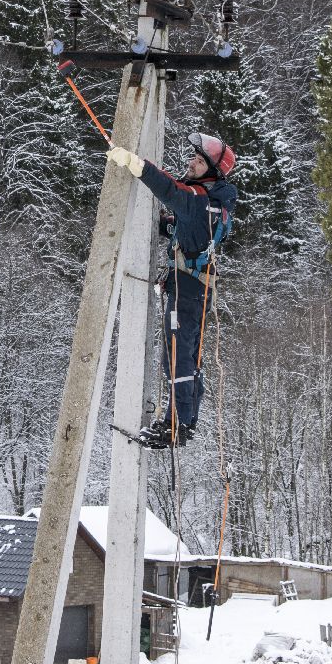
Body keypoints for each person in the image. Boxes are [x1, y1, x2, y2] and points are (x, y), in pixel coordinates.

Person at [106, 132, 238, 448]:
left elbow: (169, 188)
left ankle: (175, 423)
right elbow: (177, 226)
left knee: (177, 359)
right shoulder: (210, 205)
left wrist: (136, 164)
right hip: (194, 289)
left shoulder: (199, 200)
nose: (191, 162)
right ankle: (186, 422)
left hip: (189, 291)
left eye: (199, 159)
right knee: (187, 358)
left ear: (211, 171)